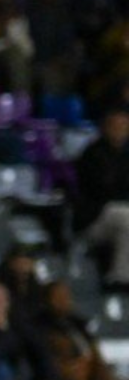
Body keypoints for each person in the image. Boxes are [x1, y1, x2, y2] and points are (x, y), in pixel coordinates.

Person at [74, 106, 129, 292]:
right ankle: (120, 279)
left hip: (116, 216)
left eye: (124, 126)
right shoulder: (92, 154)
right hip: (94, 219)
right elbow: (103, 191)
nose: (120, 130)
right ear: (105, 127)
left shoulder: (126, 154)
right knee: (125, 216)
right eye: (115, 125)